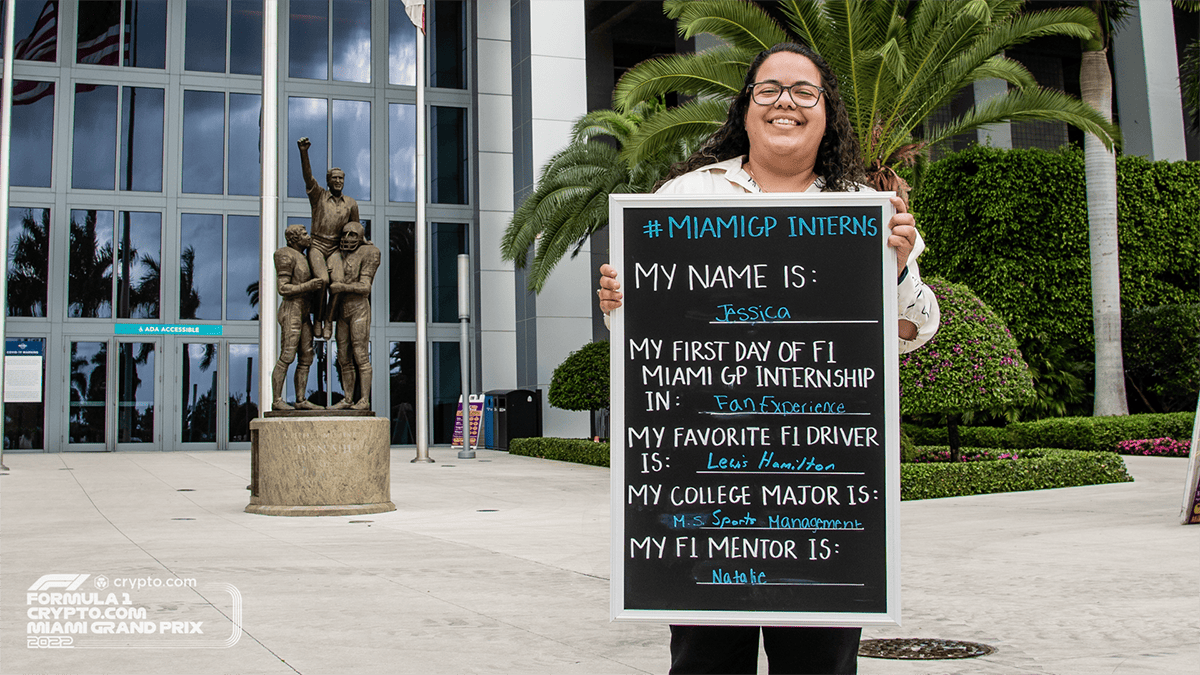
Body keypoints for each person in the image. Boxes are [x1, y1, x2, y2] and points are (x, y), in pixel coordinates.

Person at [597, 43, 939, 675]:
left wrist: (893, 272)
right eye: (769, 90)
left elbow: (909, 332)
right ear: (746, 110)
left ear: (827, 113)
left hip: (821, 490)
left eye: (804, 92)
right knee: (705, 663)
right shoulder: (687, 194)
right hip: (702, 484)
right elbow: (651, 340)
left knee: (819, 665)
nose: (786, 102)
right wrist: (620, 304)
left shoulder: (867, 211)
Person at [297, 136, 359, 339]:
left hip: (335, 249)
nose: (338, 181)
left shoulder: (350, 203)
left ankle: (329, 322)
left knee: (338, 283)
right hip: (317, 245)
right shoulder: (319, 196)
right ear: (328, 181)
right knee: (322, 280)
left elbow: (356, 227)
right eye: (335, 178)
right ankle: (318, 320)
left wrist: (364, 242)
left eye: (341, 178)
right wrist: (304, 152)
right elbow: (308, 177)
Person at [270, 224, 324, 410]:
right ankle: (277, 400)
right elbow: (283, 288)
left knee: (306, 356)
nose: (307, 237)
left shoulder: (305, 255)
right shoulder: (284, 254)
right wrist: (308, 286)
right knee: (287, 355)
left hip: (304, 311)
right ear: (293, 239)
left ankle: (300, 399)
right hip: (291, 308)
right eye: (303, 234)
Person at [329, 222, 380, 411]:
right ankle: (348, 398)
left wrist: (343, 287)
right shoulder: (338, 254)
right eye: (345, 234)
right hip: (342, 309)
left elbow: (365, 286)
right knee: (342, 356)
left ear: (360, 237)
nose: (347, 238)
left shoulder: (369, 253)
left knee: (360, 354)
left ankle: (364, 400)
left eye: (352, 235)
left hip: (358, 308)